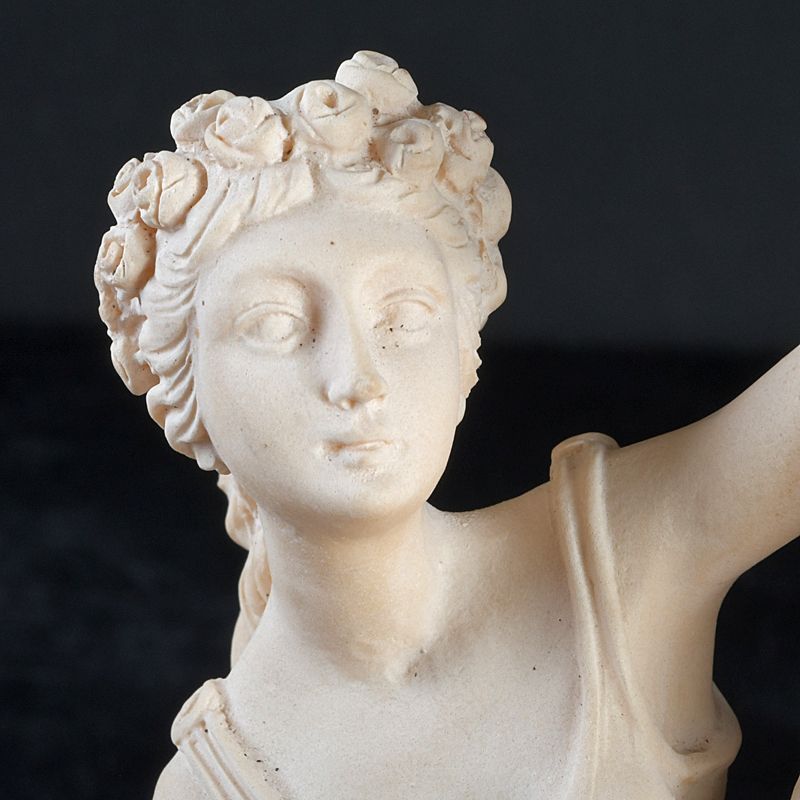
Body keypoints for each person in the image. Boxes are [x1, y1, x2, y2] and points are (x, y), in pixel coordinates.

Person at [93, 51, 798, 800]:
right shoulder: (216, 782)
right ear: (182, 389)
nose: (357, 379)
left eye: (403, 318)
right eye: (276, 326)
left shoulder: (619, 553)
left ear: (464, 356)